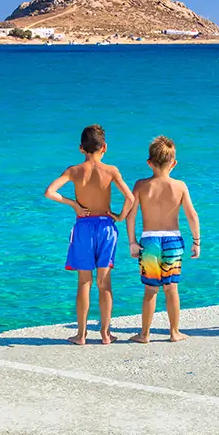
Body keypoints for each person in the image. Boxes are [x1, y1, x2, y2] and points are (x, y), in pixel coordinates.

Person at [44, 124, 134, 345]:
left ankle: (81, 335)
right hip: (106, 226)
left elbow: (50, 192)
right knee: (105, 283)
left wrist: (73, 204)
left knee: (84, 281)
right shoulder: (111, 170)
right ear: (104, 147)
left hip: (83, 226)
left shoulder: (74, 171)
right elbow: (130, 199)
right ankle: (105, 333)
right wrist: (120, 217)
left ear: (80, 148)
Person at [124, 136, 201, 343]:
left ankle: (145, 334)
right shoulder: (180, 186)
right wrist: (196, 241)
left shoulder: (140, 185)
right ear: (173, 163)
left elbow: (131, 216)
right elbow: (192, 216)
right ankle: (174, 332)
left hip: (149, 242)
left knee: (150, 290)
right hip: (173, 241)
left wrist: (131, 242)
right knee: (171, 287)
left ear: (149, 162)